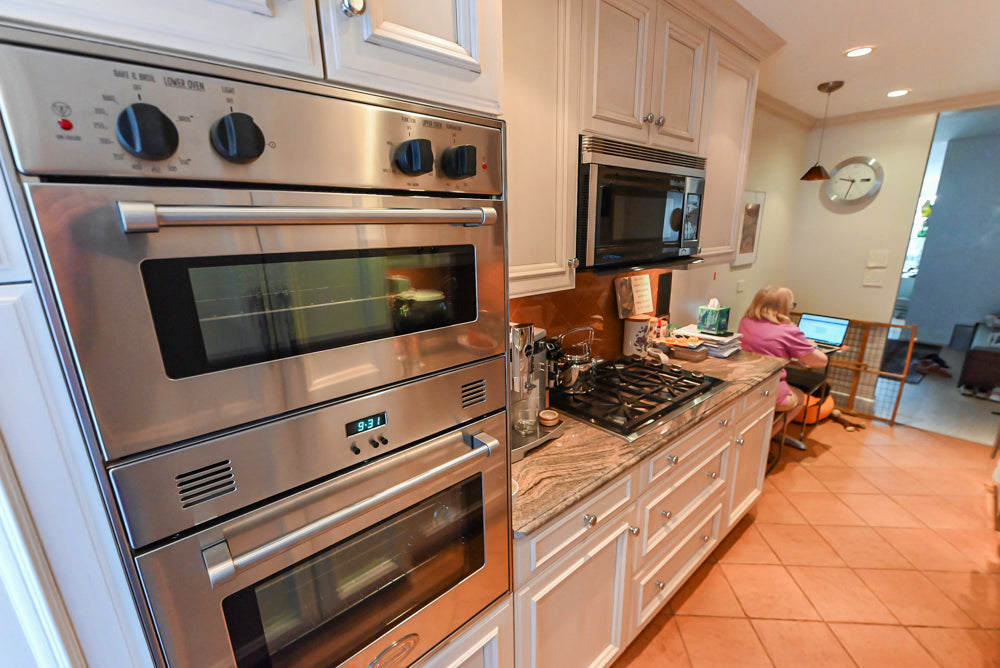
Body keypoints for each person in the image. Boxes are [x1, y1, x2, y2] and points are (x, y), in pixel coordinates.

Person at [738, 285, 828, 412]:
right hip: (769, 390)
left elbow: (766, 352)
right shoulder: (789, 331)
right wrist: (810, 345)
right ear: (785, 307)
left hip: (745, 384)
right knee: (800, 396)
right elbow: (821, 361)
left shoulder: (745, 322)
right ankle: (773, 425)